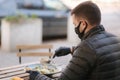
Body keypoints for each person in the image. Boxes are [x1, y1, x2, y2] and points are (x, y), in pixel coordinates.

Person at [27, 1, 120, 80]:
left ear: (83, 24)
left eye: (75, 25)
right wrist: (71, 50)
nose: (75, 28)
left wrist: (36, 76)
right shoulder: (115, 39)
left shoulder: (86, 47)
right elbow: (98, 52)